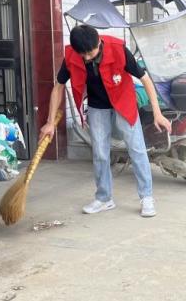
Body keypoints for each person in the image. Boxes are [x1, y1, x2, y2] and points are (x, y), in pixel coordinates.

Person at [41, 24, 170, 217]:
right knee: (100, 153)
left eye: (90, 53)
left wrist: (157, 113)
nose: (86, 58)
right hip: (97, 107)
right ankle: (104, 198)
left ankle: (147, 197)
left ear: (98, 42)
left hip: (123, 102)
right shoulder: (72, 55)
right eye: (82, 54)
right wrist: (50, 122)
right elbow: (58, 86)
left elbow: (145, 80)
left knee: (136, 149)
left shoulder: (118, 49)